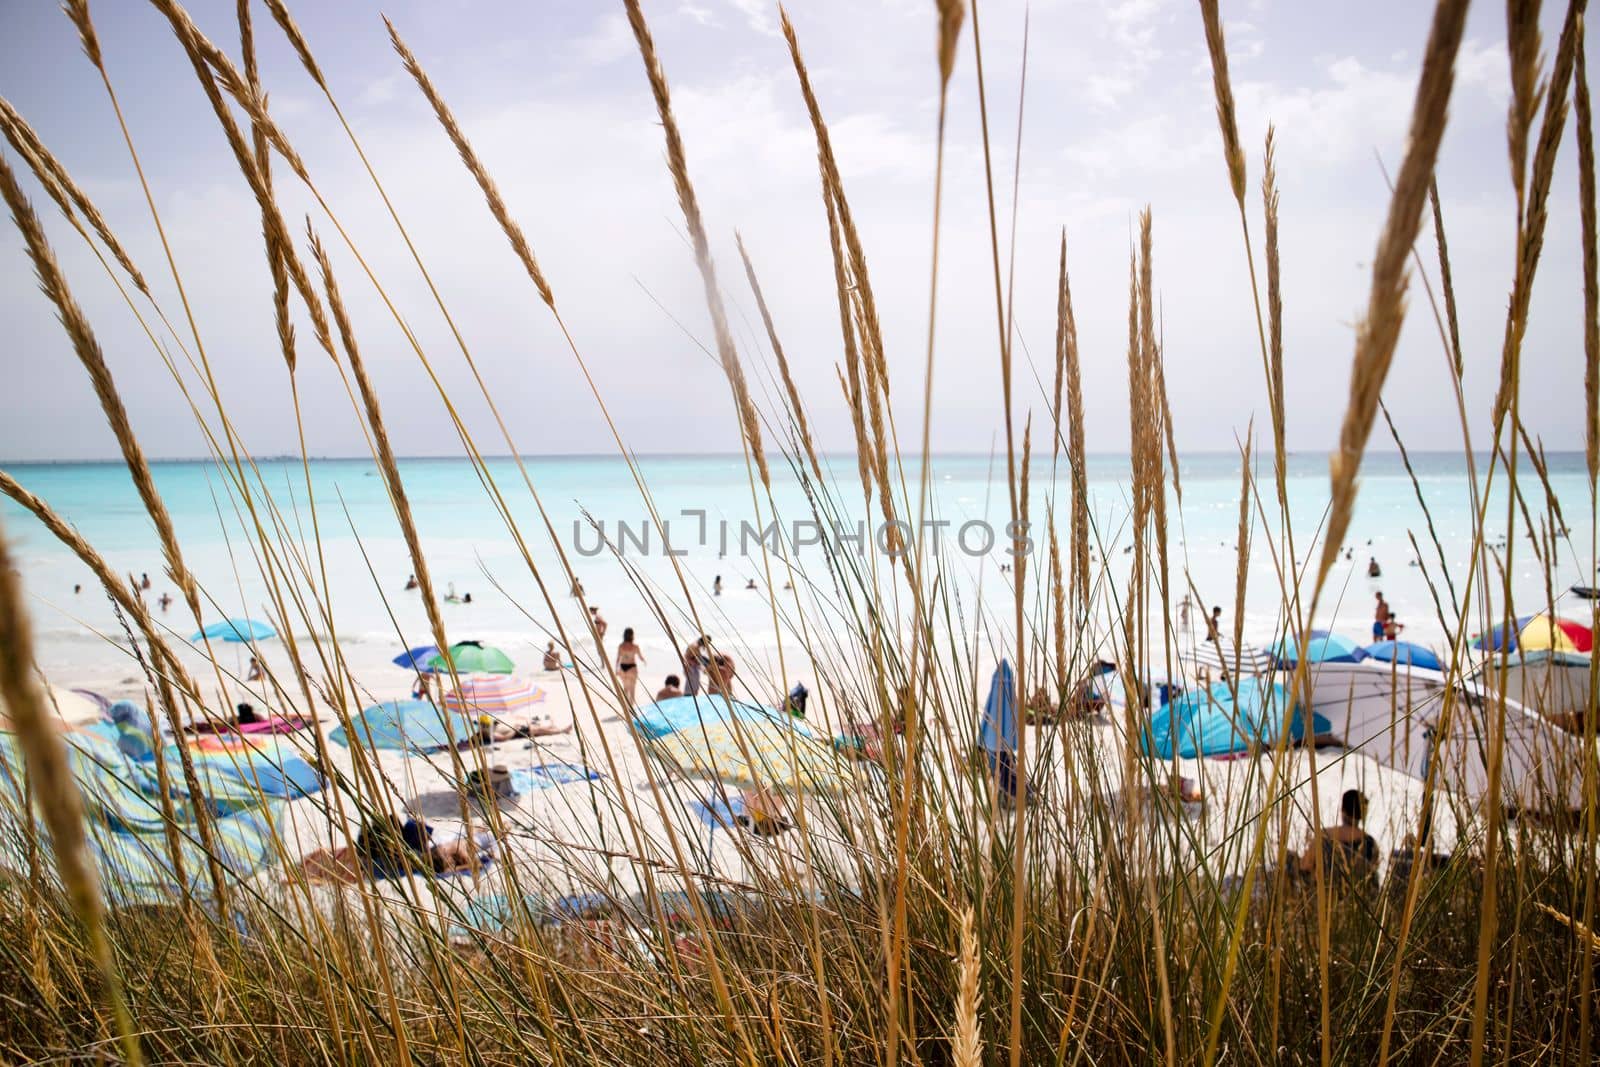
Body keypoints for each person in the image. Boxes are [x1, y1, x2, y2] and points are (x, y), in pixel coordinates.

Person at [1297, 789, 1379, 884]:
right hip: (1357, 895)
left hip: (1325, 894)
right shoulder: (1370, 843)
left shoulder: (1324, 836)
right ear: (1363, 814)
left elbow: (1305, 867)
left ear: (1343, 810)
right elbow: (1372, 874)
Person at [616, 627, 644, 704]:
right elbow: (640, 657)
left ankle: (625, 707)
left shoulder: (621, 646)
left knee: (625, 688)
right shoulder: (635, 646)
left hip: (623, 668)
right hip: (632, 668)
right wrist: (644, 660)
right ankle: (631, 709)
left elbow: (618, 659)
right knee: (632, 689)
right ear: (632, 635)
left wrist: (616, 670)